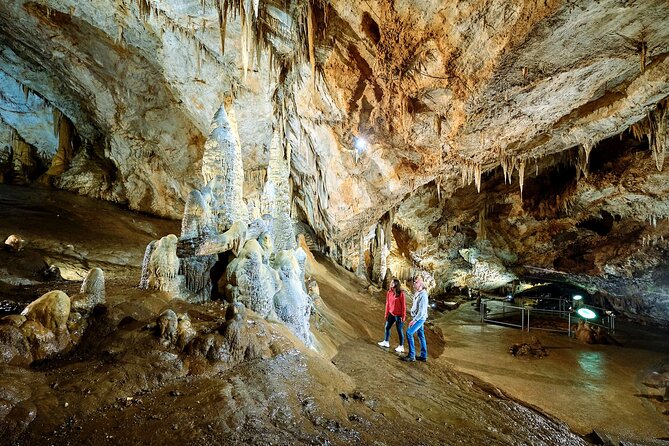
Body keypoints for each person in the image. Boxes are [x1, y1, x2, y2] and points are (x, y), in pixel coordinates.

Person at [401, 275, 428, 362]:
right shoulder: (417, 293)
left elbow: (421, 311)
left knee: (409, 333)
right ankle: (423, 356)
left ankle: (411, 355)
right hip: (417, 317)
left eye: (416, 282)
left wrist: (414, 320)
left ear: (421, 284)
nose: (414, 283)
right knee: (421, 335)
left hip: (420, 318)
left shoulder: (423, 295)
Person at [377, 278, 406, 353]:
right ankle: (386, 342)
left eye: (393, 282)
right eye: (391, 282)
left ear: (396, 284)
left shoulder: (401, 293)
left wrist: (403, 316)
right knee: (387, 327)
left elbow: (403, 306)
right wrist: (386, 313)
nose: (391, 283)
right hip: (391, 313)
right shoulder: (389, 292)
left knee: (399, 330)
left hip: (398, 315)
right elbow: (388, 303)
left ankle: (401, 346)